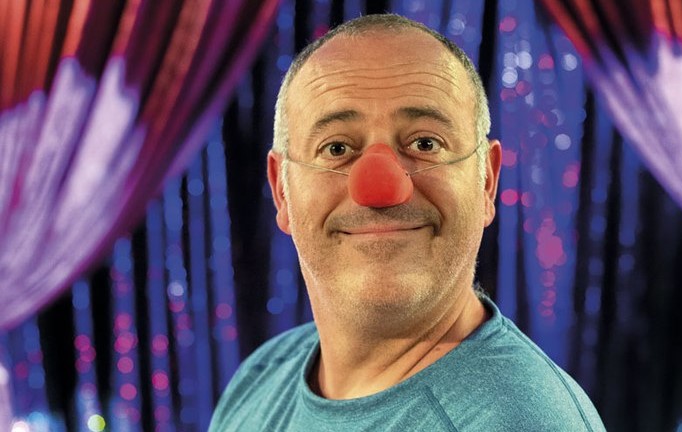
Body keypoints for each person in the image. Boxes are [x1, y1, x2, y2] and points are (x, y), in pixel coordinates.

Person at [210, 13, 605, 431]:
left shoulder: (518, 423)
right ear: (281, 190)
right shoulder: (261, 379)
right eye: (337, 148)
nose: (380, 188)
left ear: (486, 182)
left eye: (425, 143)